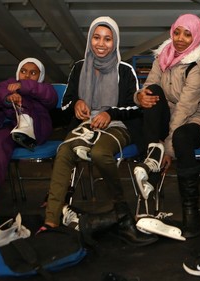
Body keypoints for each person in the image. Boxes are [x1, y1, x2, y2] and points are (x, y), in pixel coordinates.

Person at [42, 16, 157, 247]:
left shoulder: (124, 70)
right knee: (64, 151)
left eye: (107, 39)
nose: (101, 44)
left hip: (118, 126)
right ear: (89, 40)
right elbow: (66, 104)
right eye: (96, 37)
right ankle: (51, 220)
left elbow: (133, 106)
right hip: (85, 126)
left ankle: (122, 211)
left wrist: (110, 114)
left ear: (115, 42)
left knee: (99, 153)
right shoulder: (78, 67)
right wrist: (76, 105)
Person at [132, 14, 200, 238]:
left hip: (196, 118)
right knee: (153, 93)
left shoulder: (199, 66)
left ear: (196, 36)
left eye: (187, 34)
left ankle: (191, 209)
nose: (180, 38)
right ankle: (152, 157)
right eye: (177, 32)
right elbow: (149, 86)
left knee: (180, 137)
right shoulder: (163, 56)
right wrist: (139, 97)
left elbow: (185, 108)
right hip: (167, 116)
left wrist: (168, 149)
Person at [0, 58, 58, 219]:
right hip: (9, 129)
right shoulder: (9, 84)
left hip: (35, 131)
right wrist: (8, 97)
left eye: (33, 73)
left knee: (0, 141)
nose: (27, 75)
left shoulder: (43, 88)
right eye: (23, 71)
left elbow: (51, 98)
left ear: (40, 76)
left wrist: (23, 87)